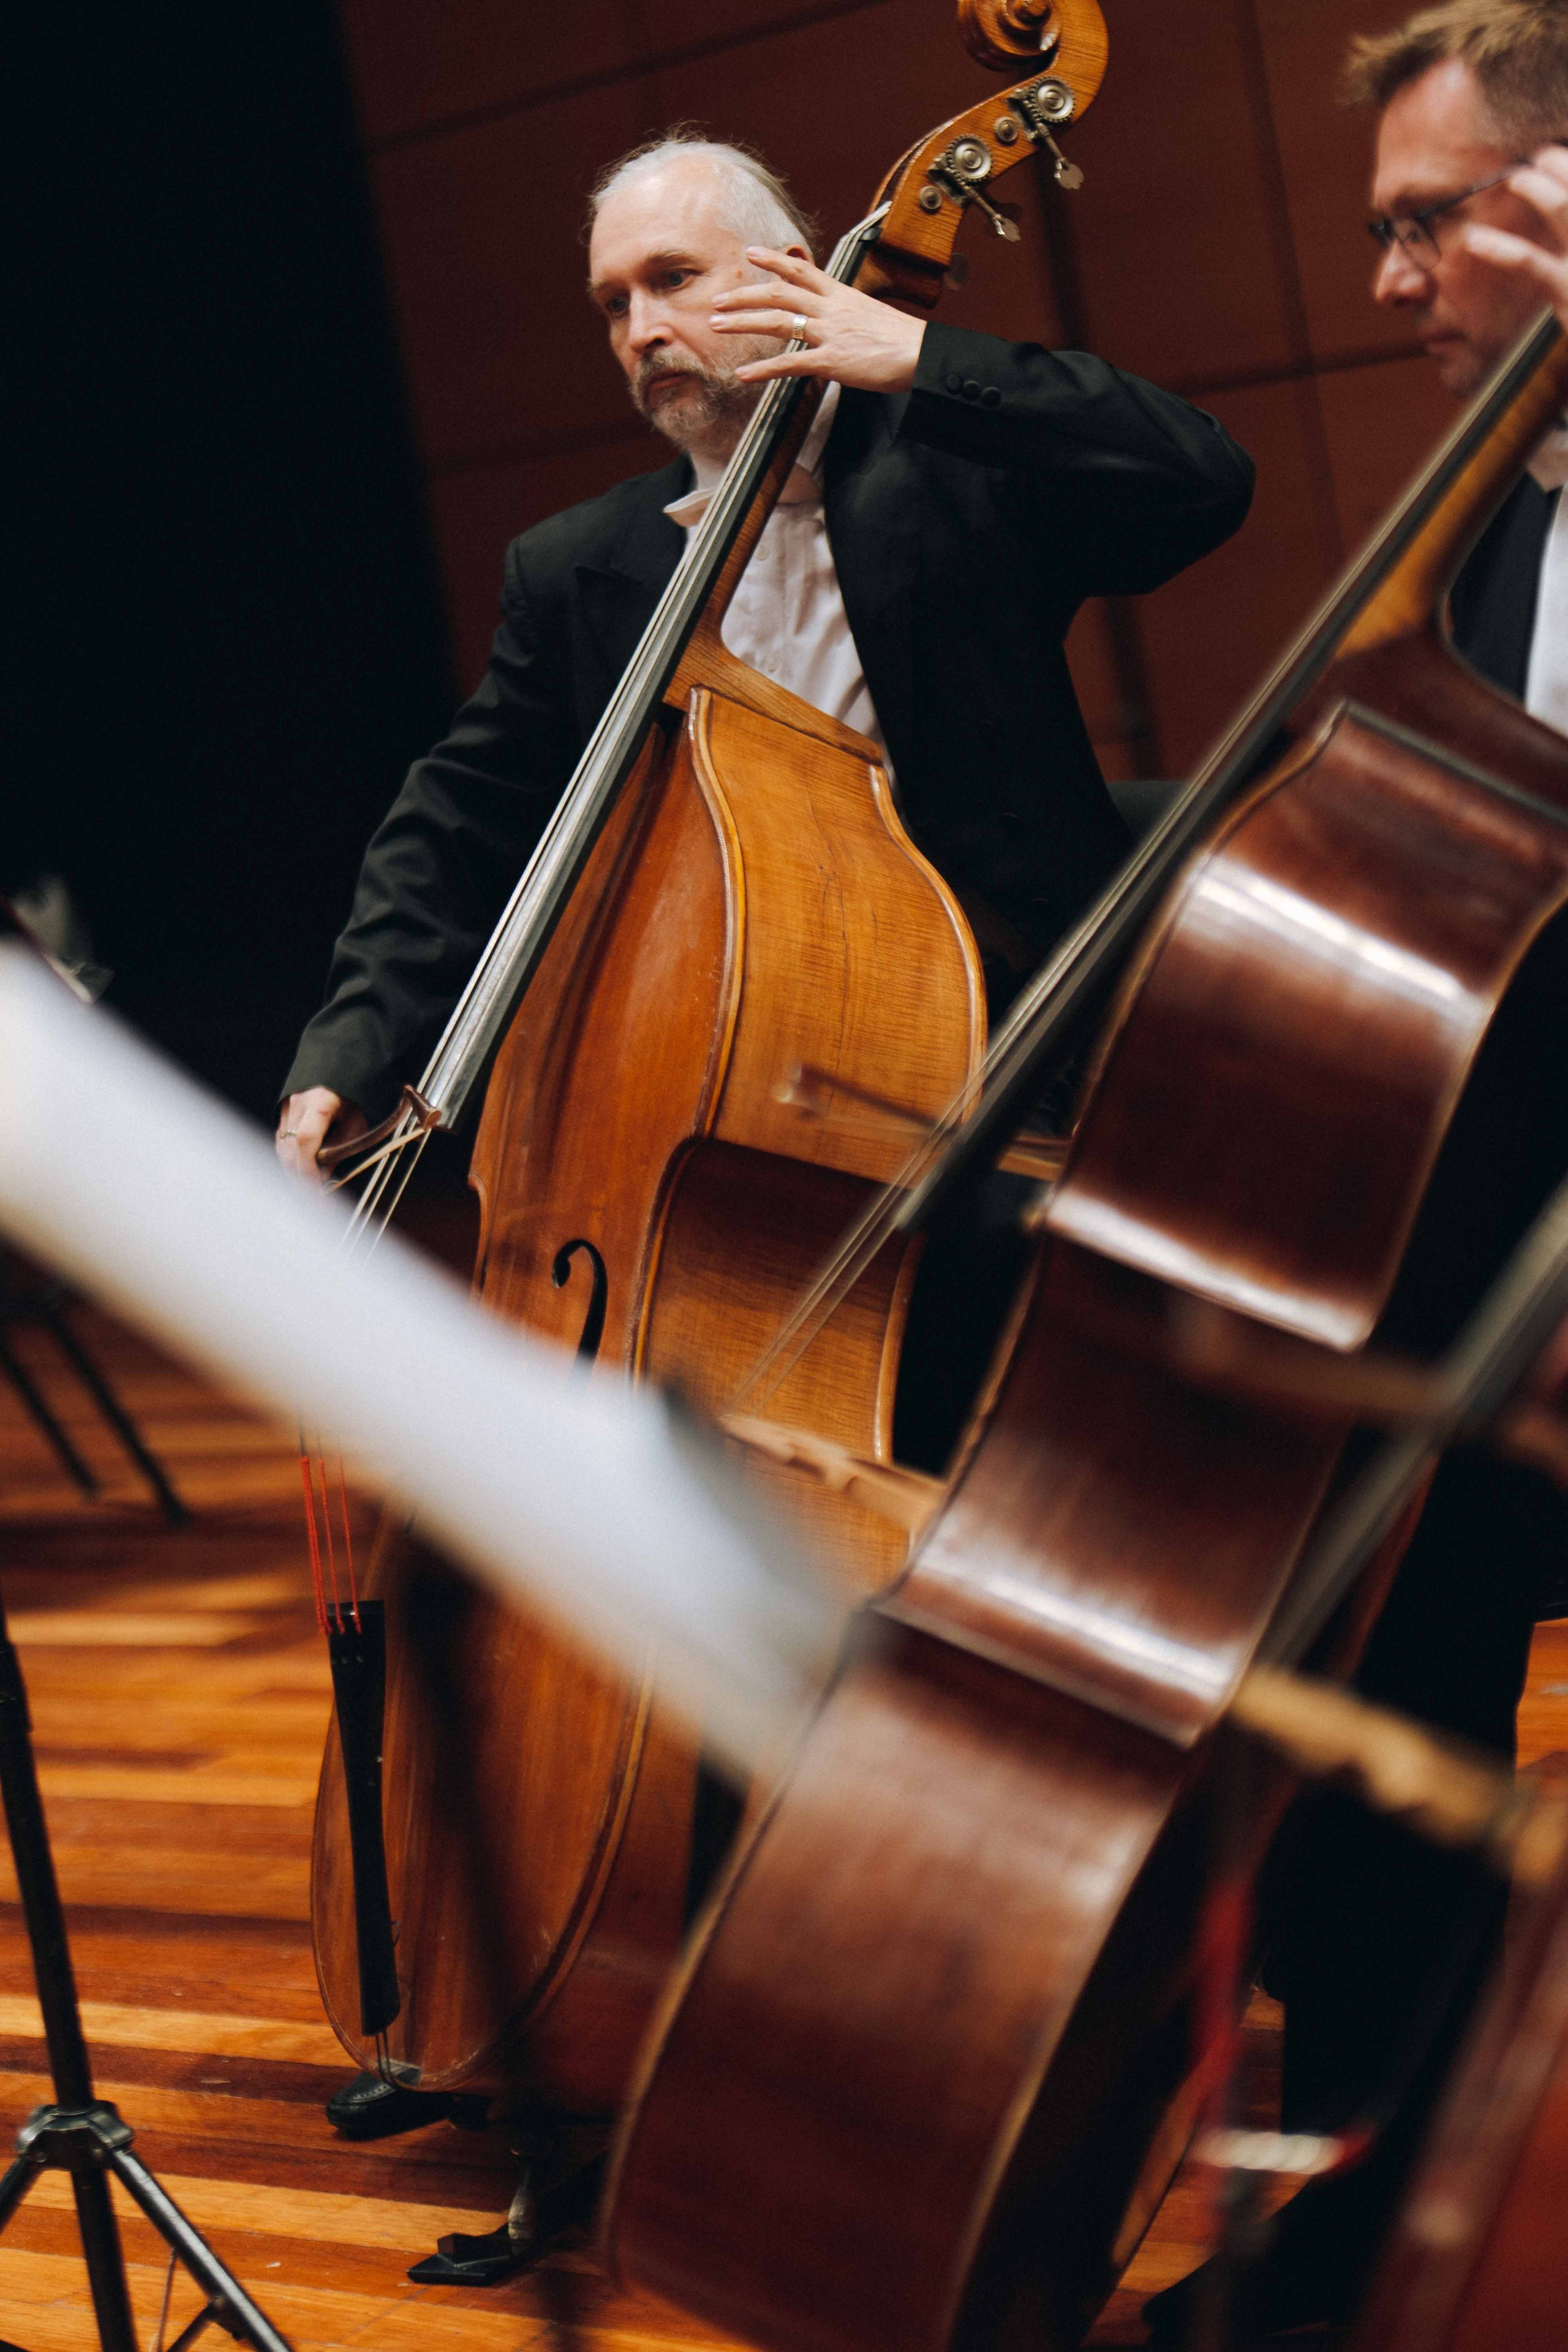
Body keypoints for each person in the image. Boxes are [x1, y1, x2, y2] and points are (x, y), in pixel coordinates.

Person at [275, 132, 1252, 1175]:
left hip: (1015, 1038)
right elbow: (458, 819)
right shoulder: (576, 571)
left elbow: (1202, 478)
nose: (644, 330)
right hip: (745, 1070)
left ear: (789, 272)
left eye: (674, 280)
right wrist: (348, 1055)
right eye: (615, 304)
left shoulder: (957, 473)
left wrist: (924, 361)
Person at [1145, 6, 1568, 2341]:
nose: (1386, 278)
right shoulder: (1499, 522)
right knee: (1359, 1660)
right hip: (1508, 1275)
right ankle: (1392, 2187)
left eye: (1428, 222)